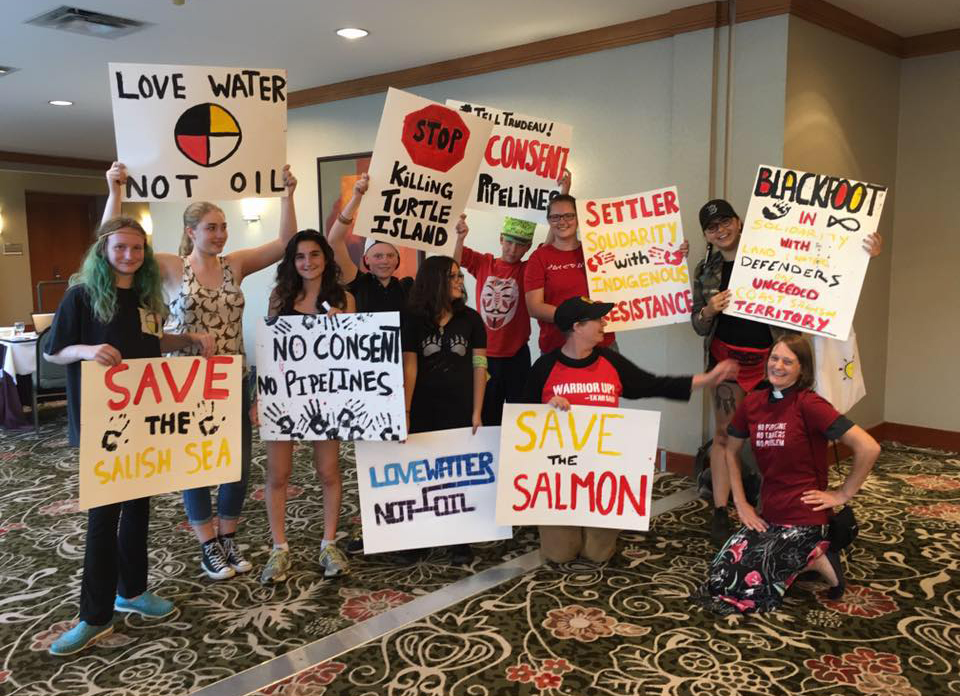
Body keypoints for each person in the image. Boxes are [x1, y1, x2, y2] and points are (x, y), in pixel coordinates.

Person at [101, 161, 299, 580]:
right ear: (192, 232)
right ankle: (207, 543)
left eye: (223, 226)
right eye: (211, 227)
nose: (220, 234)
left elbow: (285, 242)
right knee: (198, 462)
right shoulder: (173, 266)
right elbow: (111, 244)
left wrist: (287, 195)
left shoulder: (236, 265)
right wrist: (115, 191)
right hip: (186, 380)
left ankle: (228, 537)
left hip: (232, 377)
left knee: (238, 463)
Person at [45, 217, 214, 655]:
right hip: (101, 425)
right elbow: (53, 350)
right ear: (104, 249)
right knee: (103, 520)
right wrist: (86, 351)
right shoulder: (81, 296)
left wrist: (189, 339)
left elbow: (151, 345)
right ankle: (93, 616)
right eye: (120, 247)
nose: (129, 256)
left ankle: (133, 590)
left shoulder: (145, 297)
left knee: (139, 507)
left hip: (142, 420)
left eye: (137, 249)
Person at [690, 199, 882, 545]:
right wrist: (708, 310)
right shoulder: (705, 269)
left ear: (738, 221)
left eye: (725, 222)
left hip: (772, 360)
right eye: (712, 227)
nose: (721, 231)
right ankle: (721, 509)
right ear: (706, 234)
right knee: (723, 437)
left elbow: (822, 266)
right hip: (726, 362)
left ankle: (780, 506)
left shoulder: (773, 250)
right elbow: (698, 326)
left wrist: (864, 254)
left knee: (781, 437)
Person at [523, 296, 738, 563]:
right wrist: (547, 409)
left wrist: (707, 379)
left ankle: (594, 523)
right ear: (577, 327)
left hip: (601, 473)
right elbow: (521, 423)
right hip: (558, 476)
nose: (604, 323)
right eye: (597, 319)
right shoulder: (544, 367)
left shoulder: (610, 361)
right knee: (560, 555)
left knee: (597, 554)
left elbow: (653, 384)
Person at [692, 334, 881, 614]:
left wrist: (843, 493)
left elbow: (868, 447)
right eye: (774, 358)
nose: (778, 366)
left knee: (750, 585)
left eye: (788, 361)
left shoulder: (810, 404)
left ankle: (818, 554)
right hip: (768, 514)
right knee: (721, 575)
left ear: (802, 369)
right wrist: (742, 503)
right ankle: (808, 558)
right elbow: (729, 451)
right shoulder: (753, 403)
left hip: (805, 516)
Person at [253, 230, 356, 583]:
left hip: (326, 397)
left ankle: (329, 542)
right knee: (277, 474)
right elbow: (267, 352)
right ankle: (279, 548)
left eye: (314, 254)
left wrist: (341, 329)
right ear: (292, 262)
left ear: (326, 258)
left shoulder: (343, 299)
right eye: (300, 256)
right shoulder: (280, 297)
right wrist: (259, 396)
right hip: (284, 396)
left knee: (329, 471)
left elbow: (353, 355)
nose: (308, 262)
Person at [402, 255, 487, 565]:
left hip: (461, 407)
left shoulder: (471, 319)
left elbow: (480, 365)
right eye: (451, 276)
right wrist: (407, 411)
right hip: (424, 408)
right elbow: (409, 366)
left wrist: (478, 410)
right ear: (434, 280)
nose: (458, 282)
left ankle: (458, 539)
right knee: (422, 472)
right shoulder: (412, 318)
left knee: (457, 473)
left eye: (459, 276)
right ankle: (419, 536)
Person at [327, 173, 414, 313]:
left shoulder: (406, 287)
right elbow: (334, 240)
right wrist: (356, 198)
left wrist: (459, 239)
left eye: (390, 255)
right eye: (378, 256)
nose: (385, 261)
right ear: (366, 259)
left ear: (398, 259)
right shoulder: (358, 283)